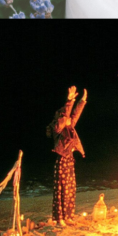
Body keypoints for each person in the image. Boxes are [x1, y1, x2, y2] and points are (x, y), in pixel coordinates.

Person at [47, 86, 87, 227]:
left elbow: (75, 115)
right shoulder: (58, 129)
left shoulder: (70, 126)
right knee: (61, 190)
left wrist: (82, 101)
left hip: (70, 161)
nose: (70, 119)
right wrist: (69, 100)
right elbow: (66, 115)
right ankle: (60, 218)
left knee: (70, 189)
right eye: (66, 117)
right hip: (62, 161)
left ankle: (69, 216)